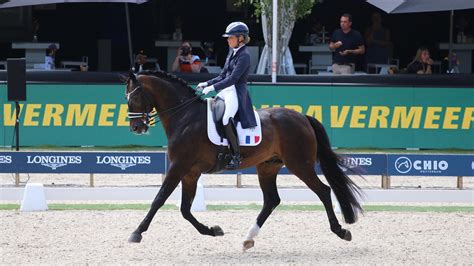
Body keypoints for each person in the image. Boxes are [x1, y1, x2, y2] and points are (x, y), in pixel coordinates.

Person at [196, 22, 257, 169]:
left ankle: (236, 156)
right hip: (226, 90)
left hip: (236, 91)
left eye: (231, 37)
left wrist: (212, 88)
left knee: (226, 118)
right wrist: (207, 83)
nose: (228, 40)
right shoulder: (232, 52)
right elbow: (223, 75)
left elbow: (233, 79)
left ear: (241, 38)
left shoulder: (245, 56)